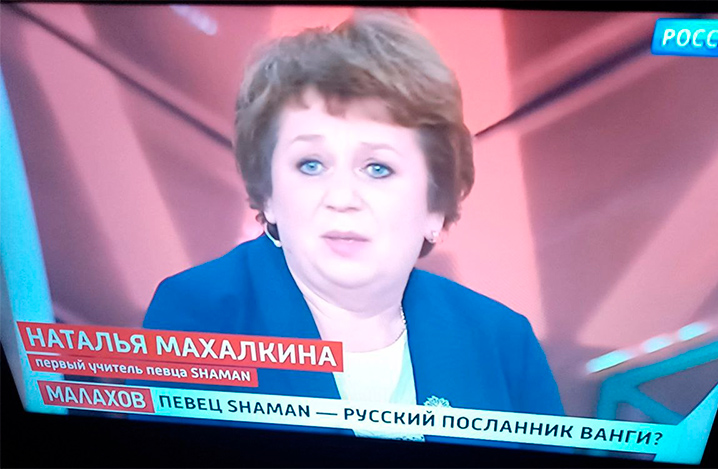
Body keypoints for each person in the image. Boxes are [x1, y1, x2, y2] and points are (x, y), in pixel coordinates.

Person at [142, 11, 563, 446]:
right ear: (268, 194)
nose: (341, 197)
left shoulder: (502, 342)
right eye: (311, 164)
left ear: (435, 208)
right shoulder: (198, 317)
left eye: (378, 168)